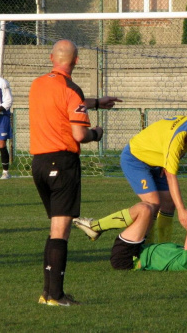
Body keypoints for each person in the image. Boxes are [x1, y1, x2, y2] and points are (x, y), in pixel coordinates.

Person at [29, 39, 121, 306]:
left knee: (55, 228)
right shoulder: (73, 90)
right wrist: (97, 134)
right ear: (77, 60)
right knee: (61, 231)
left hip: (39, 164)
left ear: (51, 58)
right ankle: (56, 295)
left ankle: (47, 294)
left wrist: (95, 103)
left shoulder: (37, 84)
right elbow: (79, 134)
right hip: (63, 162)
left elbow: (61, 103)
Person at [73, 116, 187, 244]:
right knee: (151, 205)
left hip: (156, 162)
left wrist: (166, 160)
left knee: (168, 203)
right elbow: (171, 176)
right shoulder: (175, 141)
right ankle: (95, 227)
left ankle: (162, 248)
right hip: (135, 159)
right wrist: (182, 210)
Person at [75, 202, 187, 271]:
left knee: (144, 209)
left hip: (127, 258)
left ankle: (95, 227)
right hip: (136, 250)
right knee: (152, 206)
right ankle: (95, 228)